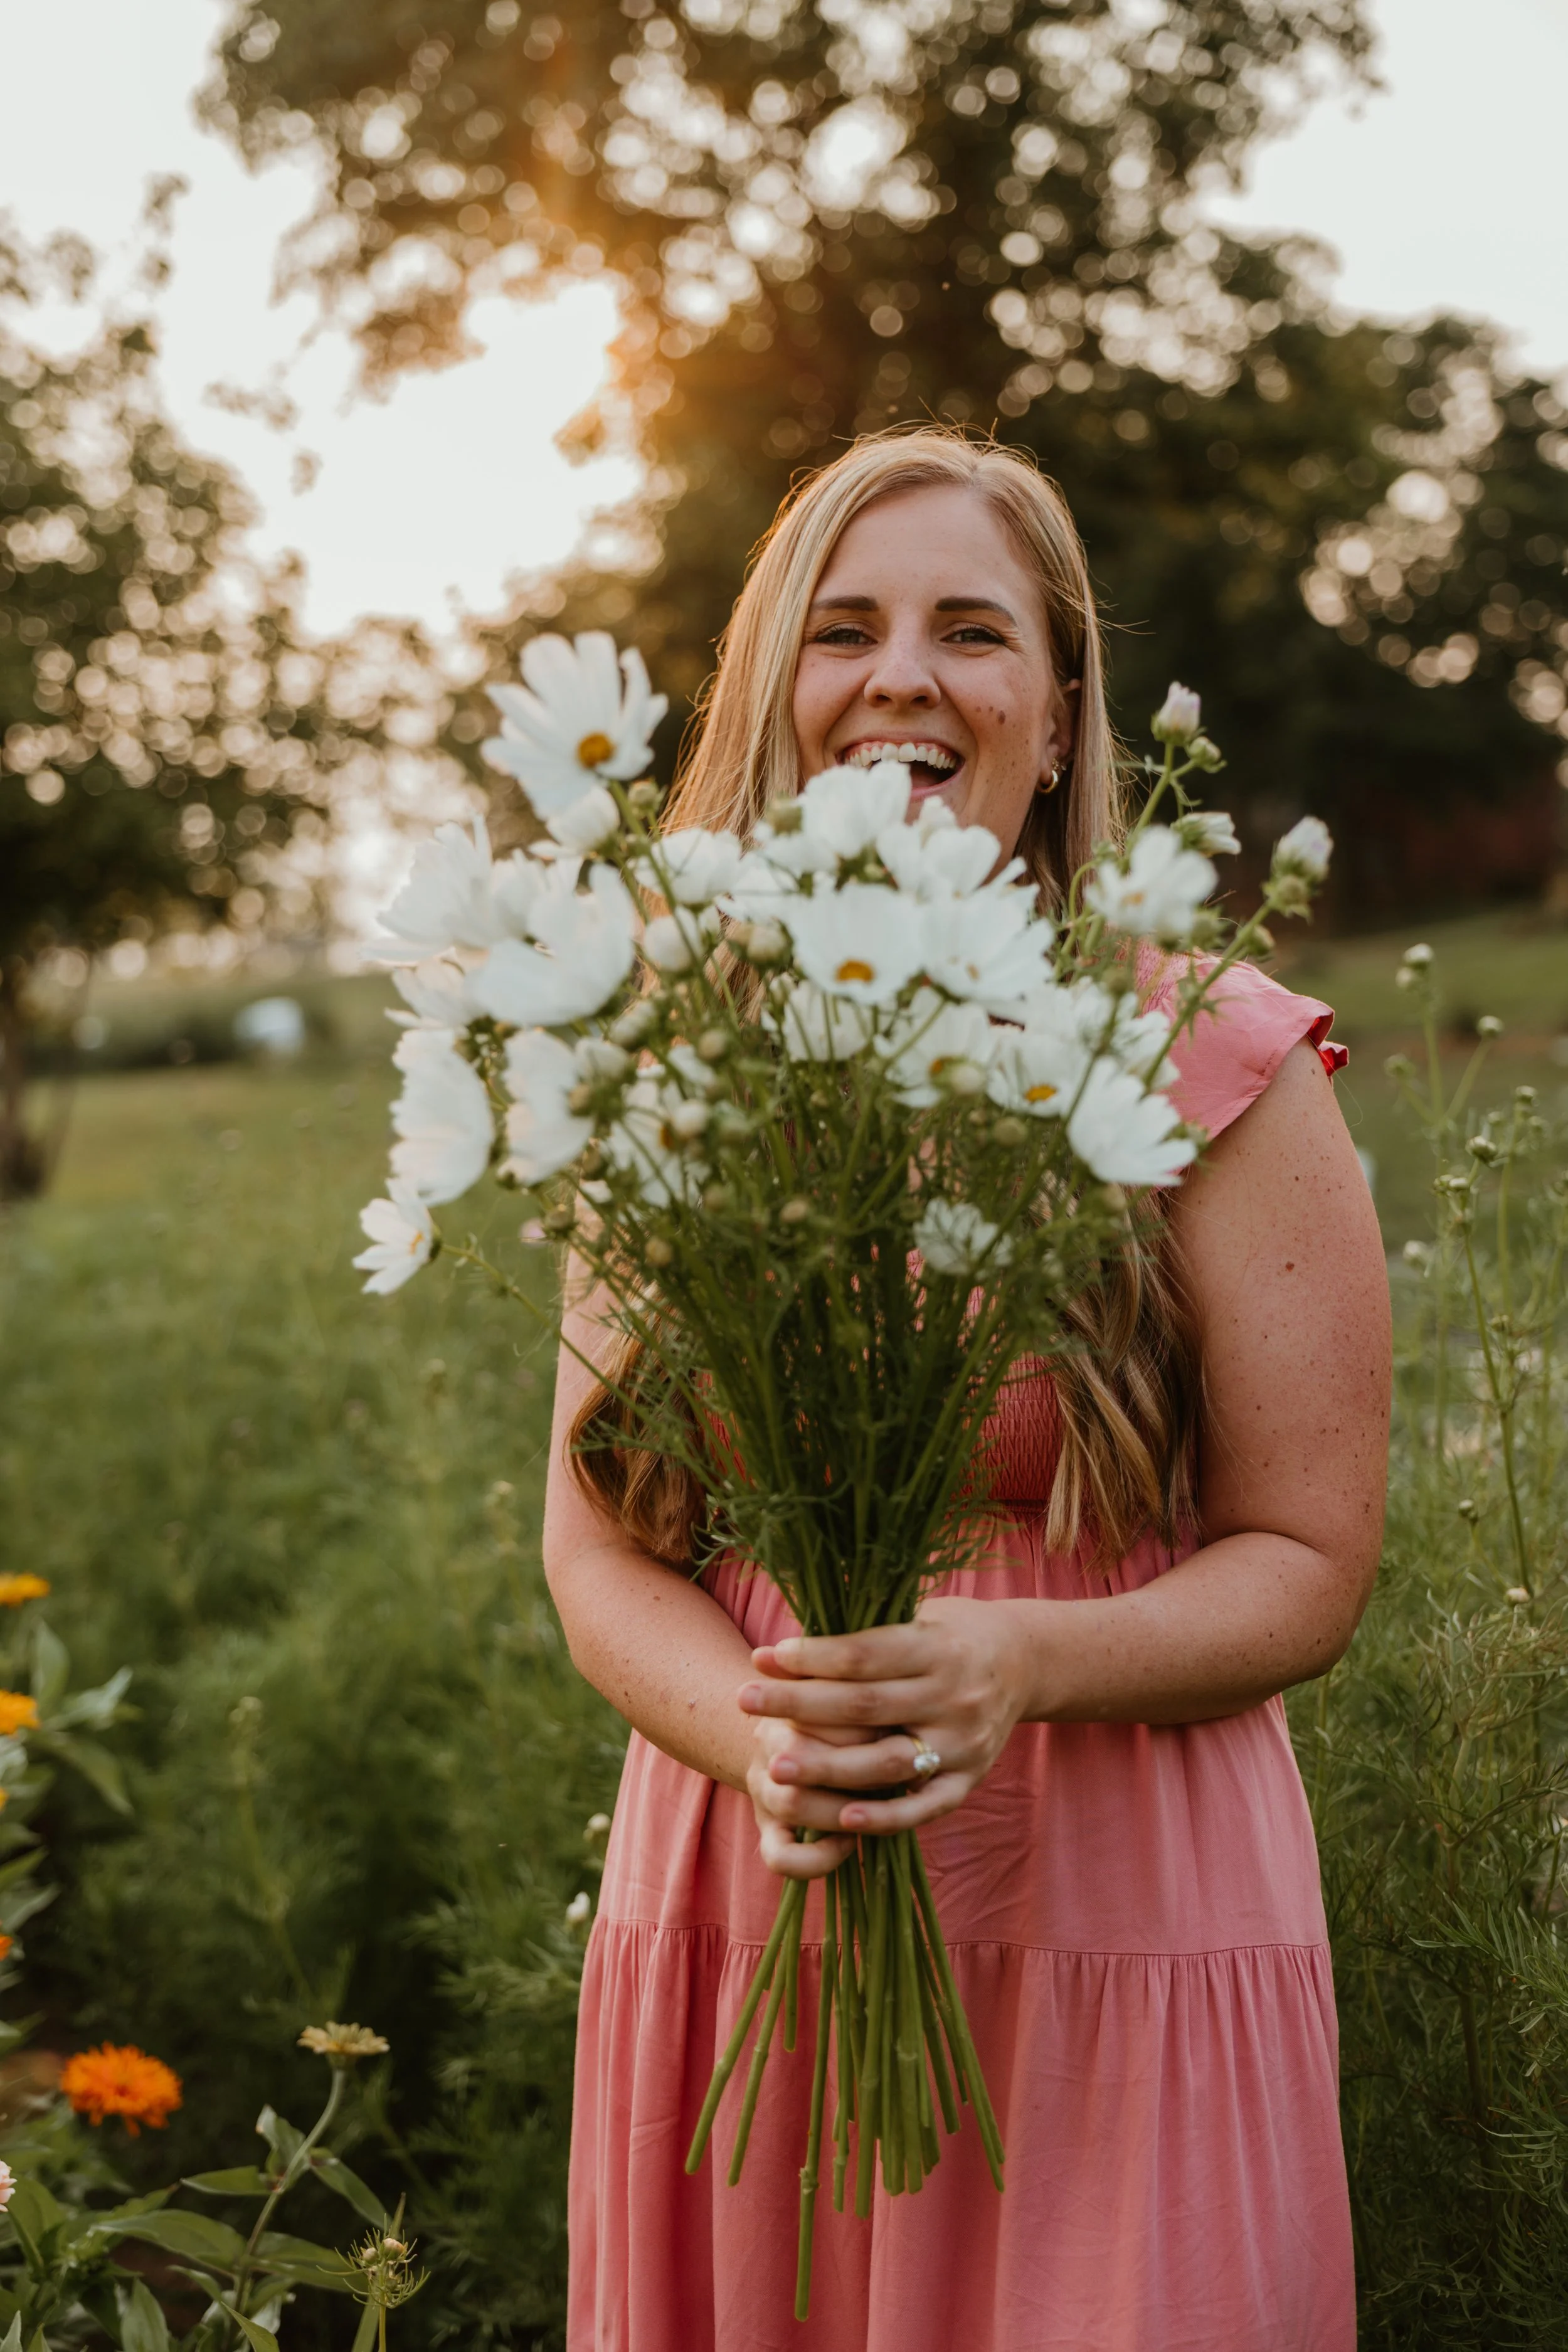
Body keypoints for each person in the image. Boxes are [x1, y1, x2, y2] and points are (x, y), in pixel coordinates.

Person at [543, 428, 1391, 2352]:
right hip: (746, 1900)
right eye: (842, 627)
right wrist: (760, 1735)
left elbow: (1309, 1560)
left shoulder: (1206, 1058)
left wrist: (1015, 1665)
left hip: (1118, 1918)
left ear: (1061, 700)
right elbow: (593, 1550)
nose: (902, 674)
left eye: (969, 628)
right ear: (778, 691)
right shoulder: (666, 1056)